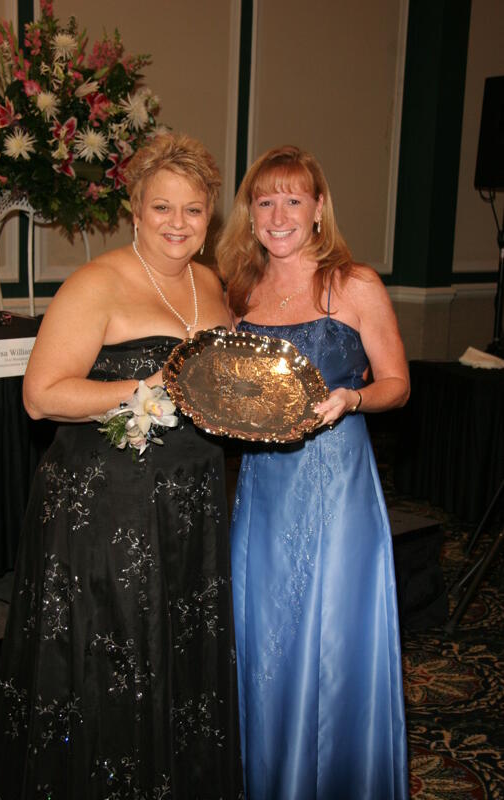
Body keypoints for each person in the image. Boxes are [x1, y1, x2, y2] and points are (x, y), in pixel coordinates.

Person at [0, 132, 243, 799]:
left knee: (176, 644)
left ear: (209, 214)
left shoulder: (209, 281)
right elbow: (40, 397)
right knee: (117, 651)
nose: (177, 224)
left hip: (191, 500)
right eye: (162, 208)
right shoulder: (96, 282)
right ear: (135, 209)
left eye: (191, 210)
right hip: (109, 511)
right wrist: (145, 387)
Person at [216, 144, 410, 800]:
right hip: (262, 486)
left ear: (318, 207)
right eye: (264, 200)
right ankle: (270, 777)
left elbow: (397, 386)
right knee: (264, 630)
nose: (277, 214)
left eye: (292, 199)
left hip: (333, 482)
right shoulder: (238, 289)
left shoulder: (352, 284)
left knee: (328, 632)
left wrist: (353, 398)